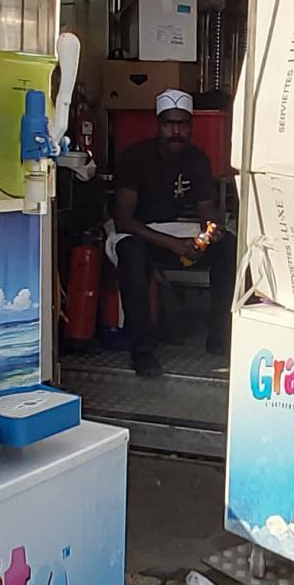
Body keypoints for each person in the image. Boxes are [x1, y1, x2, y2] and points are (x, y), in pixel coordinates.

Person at [110, 92, 233, 377]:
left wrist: (211, 233)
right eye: (168, 124)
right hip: (138, 231)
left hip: (177, 230)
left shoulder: (198, 160)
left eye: (181, 124)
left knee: (229, 248)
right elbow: (124, 220)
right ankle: (141, 350)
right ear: (158, 125)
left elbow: (207, 216)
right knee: (133, 254)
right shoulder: (135, 157)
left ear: (191, 127)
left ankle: (221, 337)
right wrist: (173, 244)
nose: (175, 131)